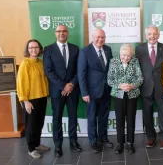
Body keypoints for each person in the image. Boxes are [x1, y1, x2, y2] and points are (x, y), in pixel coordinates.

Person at [43, 25, 82, 157]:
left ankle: (73, 142)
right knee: (57, 118)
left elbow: (79, 70)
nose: (61, 33)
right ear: (55, 33)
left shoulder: (75, 48)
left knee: (73, 117)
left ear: (68, 33)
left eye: (64, 31)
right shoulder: (48, 49)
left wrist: (71, 84)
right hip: (56, 91)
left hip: (73, 90)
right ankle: (58, 146)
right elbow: (48, 71)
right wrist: (63, 86)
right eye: (59, 31)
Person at [78, 29, 113, 153]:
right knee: (92, 117)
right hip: (91, 92)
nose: (100, 39)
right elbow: (81, 74)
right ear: (92, 37)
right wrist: (84, 92)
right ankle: (93, 141)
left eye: (102, 37)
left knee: (104, 117)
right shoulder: (85, 51)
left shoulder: (108, 49)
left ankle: (103, 138)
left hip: (106, 90)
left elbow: (110, 70)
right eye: (98, 37)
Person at [135, 25, 163, 149]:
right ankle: (151, 138)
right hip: (145, 88)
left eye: (155, 34)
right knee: (147, 114)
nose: (152, 36)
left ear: (158, 35)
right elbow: (136, 68)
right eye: (149, 34)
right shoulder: (139, 49)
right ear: (146, 36)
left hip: (161, 88)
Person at [107, 44, 143, 154]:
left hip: (132, 94)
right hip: (118, 95)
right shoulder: (113, 61)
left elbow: (140, 78)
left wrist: (132, 86)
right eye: (123, 55)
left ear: (131, 55)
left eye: (128, 55)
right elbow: (110, 79)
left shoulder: (135, 61)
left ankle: (130, 143)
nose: (125, 58)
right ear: (120, 53)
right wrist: (120, 85)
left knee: (131, 119)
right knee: (119, 119)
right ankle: (120, 143)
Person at [17, 39, 50, 159]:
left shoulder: (41, 62)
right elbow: (21, 84)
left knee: (39, 123)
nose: (33, 49)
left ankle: (36, 144)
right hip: (31, 100)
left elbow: (45, 81)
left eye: (36, 47)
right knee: (31, 125)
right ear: (28, 50)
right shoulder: (25, 64)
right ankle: (31, 149)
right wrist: (25, 101)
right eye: (31, 48)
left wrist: (47, 95)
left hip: (42, 97)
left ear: (39, 49)